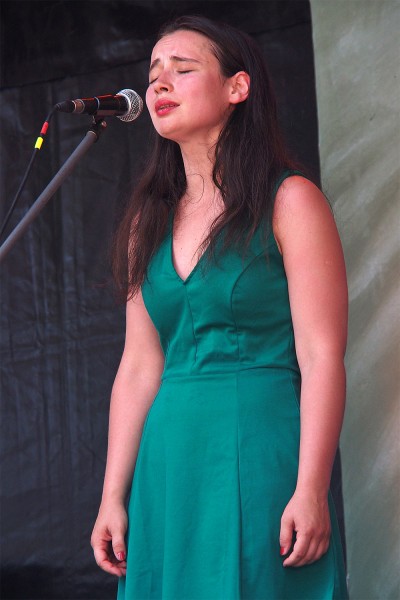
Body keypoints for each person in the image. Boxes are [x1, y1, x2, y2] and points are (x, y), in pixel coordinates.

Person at [91, 14, 349, 599]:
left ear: (237, 87)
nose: (159, 84)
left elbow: (321, 353)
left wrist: (311, 487)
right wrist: (112, 495)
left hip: (258, 441)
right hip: (168, 461)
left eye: (182, 70)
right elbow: (138, 366)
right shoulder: (146, 222)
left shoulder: (290, 201)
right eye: (153, 73)